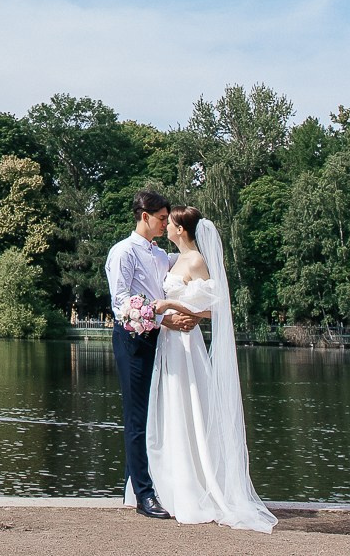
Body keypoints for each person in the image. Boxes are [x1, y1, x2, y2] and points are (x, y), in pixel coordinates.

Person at [142, 205, 278, 533]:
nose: (166, 225)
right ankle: (173, 487)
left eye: (170, 222)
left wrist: (173, 306)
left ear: (181, 229)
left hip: (187, 346)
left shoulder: (197, 260)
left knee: (190, 408)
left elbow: (215, 310)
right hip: (170, 343)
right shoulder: (174, 259)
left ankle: (196, 489)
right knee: (172, 410)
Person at [106, 189, 196, 519]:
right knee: (136, 416)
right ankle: (144, 494)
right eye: (161, 219)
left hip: (162, 340)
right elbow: (121, 304)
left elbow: (181, 273)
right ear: (145, 216)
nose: (164, 224)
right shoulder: (123, 252)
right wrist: (164, 318)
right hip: (132, 340)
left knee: (156, 415)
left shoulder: (159, 255)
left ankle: (139, 485)